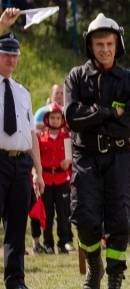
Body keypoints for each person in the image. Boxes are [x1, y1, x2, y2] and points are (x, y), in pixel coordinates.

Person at [64, 13, 130, 289]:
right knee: (84, 218)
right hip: (86, 156)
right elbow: (73, 118)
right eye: (99, 44)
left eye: (109, 43)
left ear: (117, 44)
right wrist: (109, 111)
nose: (105, 49)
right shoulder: (75, 77)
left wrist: (92, 114)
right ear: (91, 45)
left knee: (120, 221)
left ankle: (114, 284)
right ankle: (93, 265)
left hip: (119, 158)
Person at [0, 31, 45, 289]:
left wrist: (37, 170)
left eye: (15, 55)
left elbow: (31, 135)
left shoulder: (22, 92)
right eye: (6, 54)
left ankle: (15, 281)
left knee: (17, 224)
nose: (11, 60)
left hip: (20, 164)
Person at [37, 103, 74, 254]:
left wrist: (69, 161)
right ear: (47, 119)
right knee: (48, 213)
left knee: (63, 213)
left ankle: (62, 243)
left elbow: (73, 157)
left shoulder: (67, 139)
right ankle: (48, 243)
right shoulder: (41, 139)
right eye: (52, 117)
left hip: (61, 179)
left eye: (58, 118)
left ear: (62, 120)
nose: (55, 120)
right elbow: (36, 158)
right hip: (46, 179)